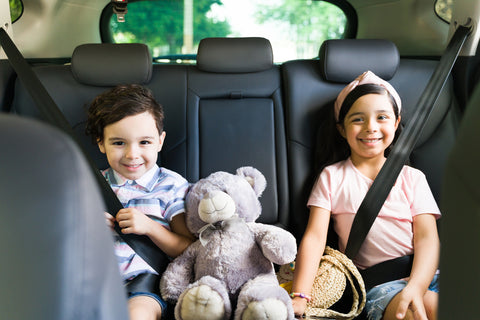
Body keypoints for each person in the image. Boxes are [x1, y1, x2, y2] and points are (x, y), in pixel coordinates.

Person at [291, 71, 441, 320]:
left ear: (395, 123)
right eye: (358, 119)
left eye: (382, 117)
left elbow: (428, 239)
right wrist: (300, 296)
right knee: (432, 308)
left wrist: (416, 285)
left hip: (426, 276)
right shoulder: (332, 177)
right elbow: (315, 238)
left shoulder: (412, 178)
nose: (371, 127)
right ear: (342, 129)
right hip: (381, 286)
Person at [86, 84, 194, 320]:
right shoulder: (90, 184)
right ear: (101, 143)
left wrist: (151, 228)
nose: (132, 154)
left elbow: (189, 249)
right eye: (118, 143)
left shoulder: (171, 186)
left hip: (144, 280)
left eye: (144, 142)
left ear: (160, 141)